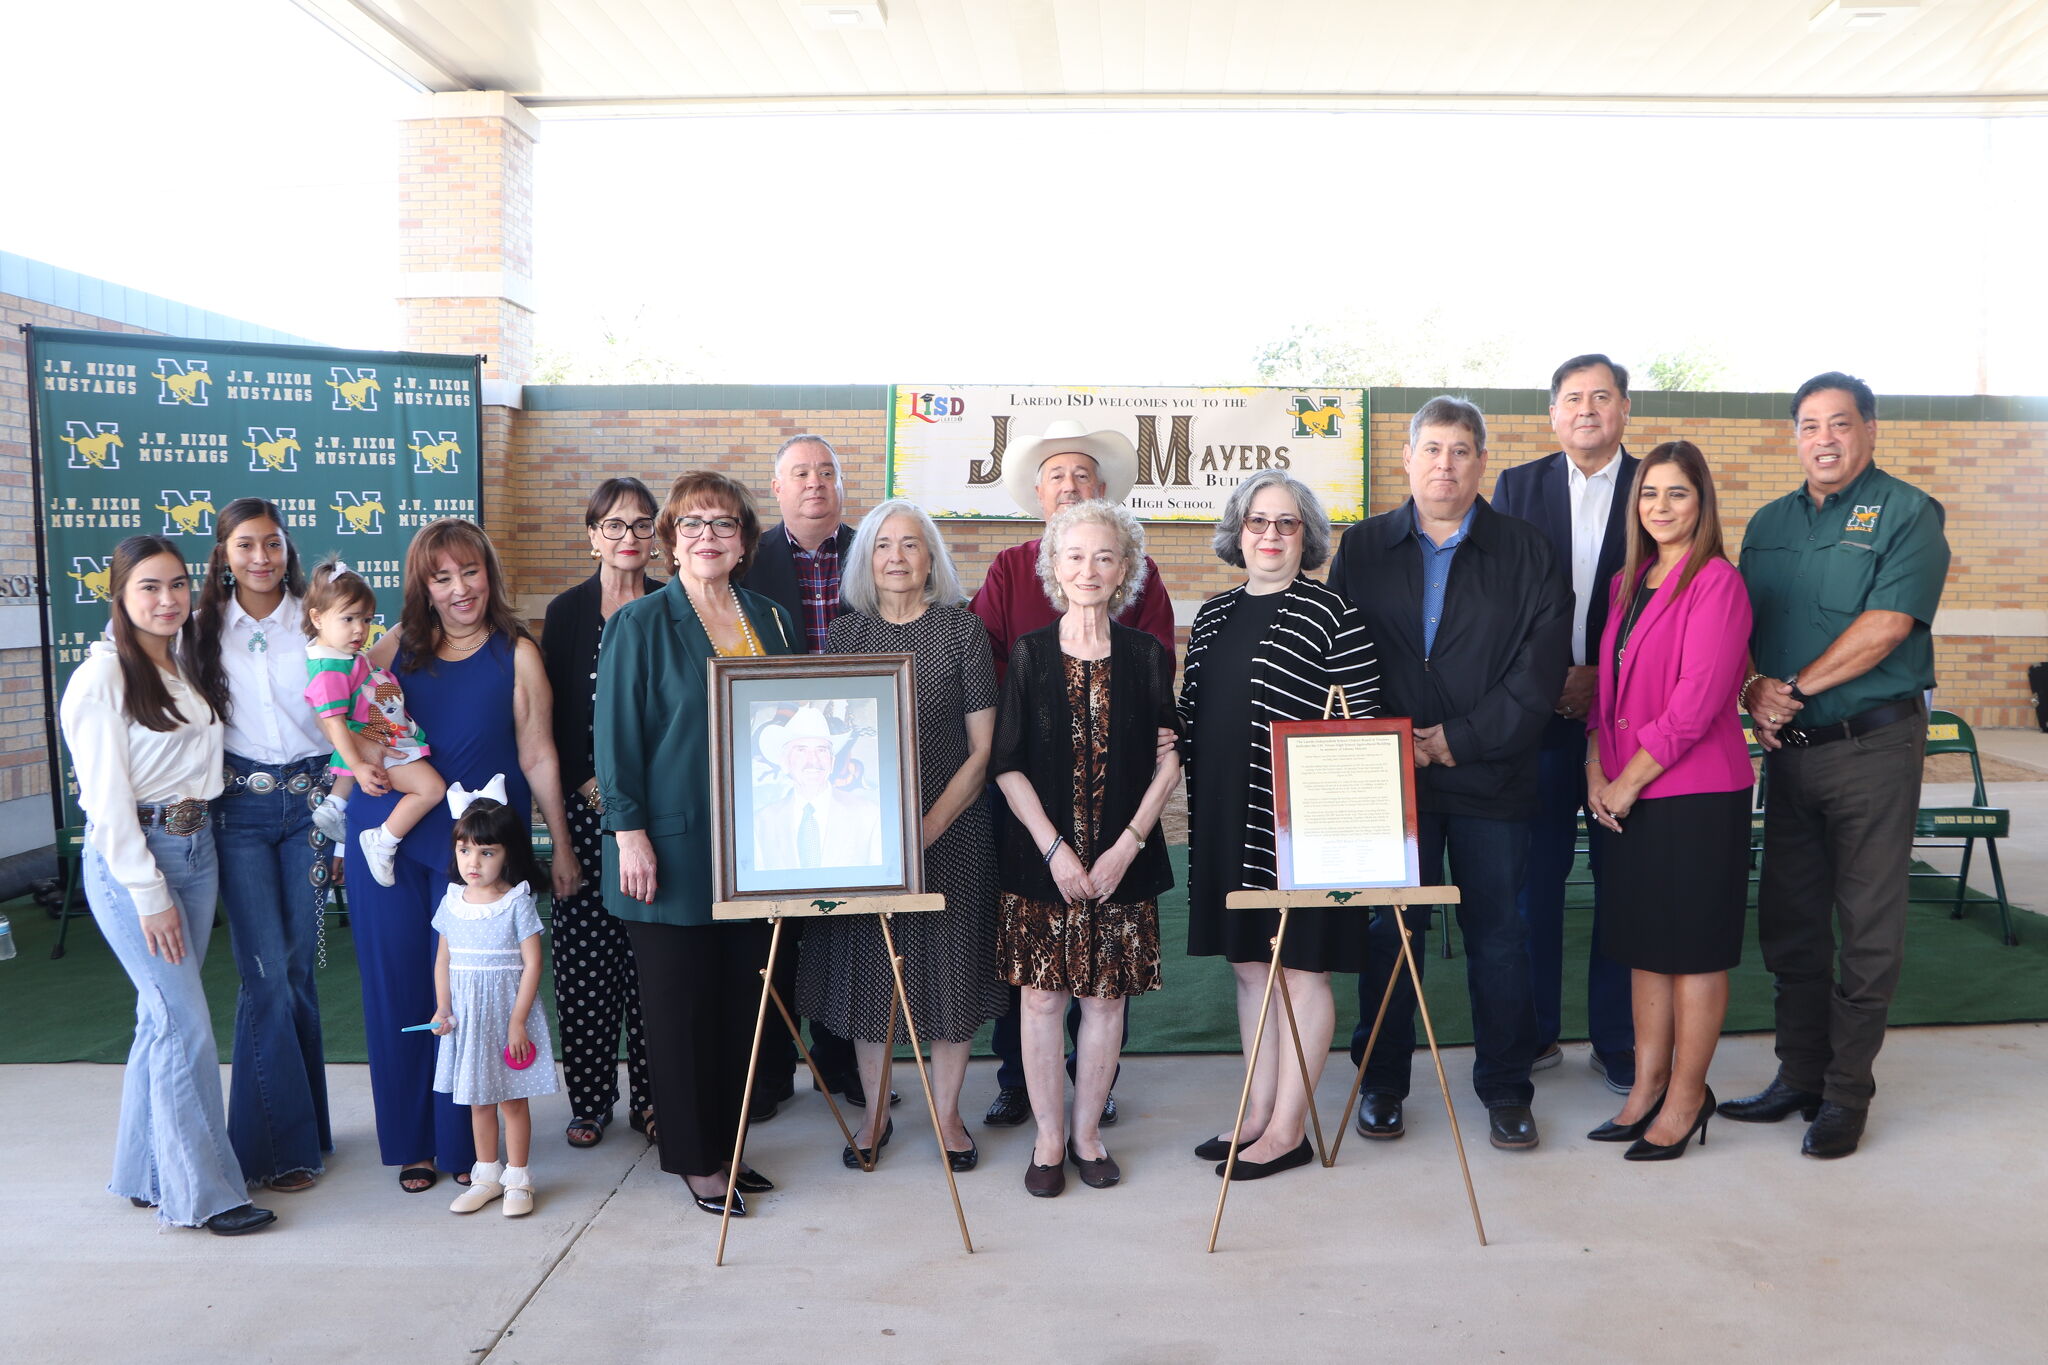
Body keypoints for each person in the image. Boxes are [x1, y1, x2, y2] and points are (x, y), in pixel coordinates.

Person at [1328, 396, 1569, 1152]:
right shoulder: (1363, 548)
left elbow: (1539, 673)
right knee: (1389, 931)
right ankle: (1383, 1081)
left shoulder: (1527, 551)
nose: (1446, 464)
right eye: (1432, 448)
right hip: (1388, 782)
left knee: (1500, 934)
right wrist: (1400, 745)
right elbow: (1341, 660)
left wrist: (1452, 741)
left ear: (1481, 461)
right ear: (1406, 457)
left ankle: (1505, 1087)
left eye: (1461, 450)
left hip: (1491, 777)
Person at [1722, 372, 1950, 1159]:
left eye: (1840, 424)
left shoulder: (1908, 513)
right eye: (1810, 425)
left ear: (1870, 429)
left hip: (1873, 748)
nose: (1825, 438)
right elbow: (1738, 619)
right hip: (1791, 755)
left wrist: (1789, 688)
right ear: (1794, 437)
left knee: (1868, 929)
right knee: (1789, 924)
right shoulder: (1769, 521)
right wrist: (1753, 684)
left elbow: (1887, 625)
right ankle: (1800, 1075)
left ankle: (1847, 1096)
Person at [345, 519, 580, 1195]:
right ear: (421, 585)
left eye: (469, 572)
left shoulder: (517, 653)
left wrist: (558, 844)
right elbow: (343, 721)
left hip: (479, 860)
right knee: (403, 991)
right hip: (392, 839)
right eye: (441, 577)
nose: (459, 589)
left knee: (476, 998)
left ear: (489, 573)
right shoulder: (393, 649)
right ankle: (413, 1141)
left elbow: (538, 753)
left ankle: (465, 1147)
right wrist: (357, 779)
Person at [596, 471, 800, 1217]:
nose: (707, 537)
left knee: (739, 1007)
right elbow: (615, 739)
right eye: (691, 524)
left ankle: (728, 1141)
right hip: (669, 850)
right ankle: (694, 1158)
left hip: (759, 850)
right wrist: (630, 832)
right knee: (678, 1011)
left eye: (722, 524)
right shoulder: (640, 623)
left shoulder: (773, 621)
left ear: (744, 540)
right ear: (670, 540)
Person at [58, 535, 274, 1235]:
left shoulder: (177, 660)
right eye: (149, 587)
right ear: (119, 594)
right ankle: (208, 1194)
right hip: (137, 863)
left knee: (160, 1020)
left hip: (196, 847)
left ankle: (144, 1172)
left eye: (178, 584)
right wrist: (149, 892)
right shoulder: (101, 679)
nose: (168, 599)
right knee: (183, 1024)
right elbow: (107, 805)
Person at [971, 418, 1176, 1129]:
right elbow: (993, 684)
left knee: (1104, 992)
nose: (1069, 485)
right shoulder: (1008, 579)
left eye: (1081, 475)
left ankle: (1090, 1112)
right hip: (1036, 805)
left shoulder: (1143, 622)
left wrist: (1128, 836)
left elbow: (1162, 727)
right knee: (1035, 988)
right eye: (1056, 475)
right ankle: (1028, 1098)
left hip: (1119, 816)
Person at [1179, 471, 1381, 1181]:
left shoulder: (1334, 615)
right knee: (1248, 967)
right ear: (1238, 531)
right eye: (1258, 521)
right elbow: (1190, 719)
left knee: (1300, 970)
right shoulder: (1212, 615)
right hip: (1225, 817)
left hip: (1303, 824)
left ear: (1307, 535)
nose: (1270, 534)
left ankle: (1290, 1128)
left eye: (1286, 523)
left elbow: (1360, 724)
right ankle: (1258, 1113)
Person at [795, 500, 1007, 1173]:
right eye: (883, 544)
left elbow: (982, 750)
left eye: (910, 544)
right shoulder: (847, 637)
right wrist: (879, 837)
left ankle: (947, 1114)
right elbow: (825, 742)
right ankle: (875, 1112)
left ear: (930, 558)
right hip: (864, 842)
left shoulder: (962, 632)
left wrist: (926, 829)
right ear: (867, 560)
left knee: (949, 976)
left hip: (955, 832)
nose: (895, 556)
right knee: (869, 977)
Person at [1581, 441, 1755, 1160]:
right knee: (1644, 950)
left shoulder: (1717, 583)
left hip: (1692, 795)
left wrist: (1626, 779)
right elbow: (1604, 692)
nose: (1661, 506)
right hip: (1624, 794)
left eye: (1677, 493)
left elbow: (1695, 703)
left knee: (1691, 953)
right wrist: (1596, 766)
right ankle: (1645, 1086)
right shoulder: (1629, 580)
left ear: (1701, 502)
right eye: (1650, 493)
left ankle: (1688, 1096)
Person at [1491, 354, 1640, 1091]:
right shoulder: (1518, 486)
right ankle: (1536, 1032)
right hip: (1540, 716)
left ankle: (1616, 1040)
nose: (1587, 409)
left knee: (1622, 877)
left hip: (1629, 719)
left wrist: (1601, 679)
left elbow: (1671, 598)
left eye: (1602, 396)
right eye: (1573, 398)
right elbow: (1499, 602)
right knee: (1534, 878)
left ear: (1624, 409)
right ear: (1552, 413)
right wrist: (1553, 681)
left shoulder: (1656, 485)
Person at [190, 498, 334, 1192]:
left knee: (301, 971)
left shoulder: (316, 616)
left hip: (309, 807)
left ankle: (309, 1130)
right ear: (224, 553)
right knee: (265, 974)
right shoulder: (198, 628)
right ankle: (274, 1147)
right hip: (239, 814)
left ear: (287, 548)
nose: (261, 557)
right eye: (245, 545)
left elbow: (356, 698)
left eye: (272, 543)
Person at [736, 433, 861, 1112]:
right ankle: (773, 1065)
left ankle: (840, 1062)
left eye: (827, 472)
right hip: (769, 765)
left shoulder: (873, 551)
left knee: (844, 918)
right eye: (800, 473)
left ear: (842, 484)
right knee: (777, 920)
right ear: (777, 488)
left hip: (855, 758)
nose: (815, 483)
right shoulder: (748, 561)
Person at [541, 477, 661, 1150]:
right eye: (614, 525)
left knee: (651, 963)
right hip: (587, 817)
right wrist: (597, 797)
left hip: (660, 814)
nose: (628, 538)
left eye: (642, 525)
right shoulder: (567, 612)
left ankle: (651, 1098)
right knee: (587, 967)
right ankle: (589, 1102)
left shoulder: (675, 607)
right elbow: (553, 723)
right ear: (591, 535)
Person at [431, 782, 559, 1217]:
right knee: (478, 1101)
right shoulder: (452, 900)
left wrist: (518, 1022)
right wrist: (442, 1009)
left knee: (512, 1100)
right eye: (465, 850)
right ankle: (487, 1174)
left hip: (507, 1016)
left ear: (508, 854)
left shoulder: (516, 902)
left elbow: (533, 965)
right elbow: (443, 961)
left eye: (487, 852)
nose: (474, 861)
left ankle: (518, 1178)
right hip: (467, 1019)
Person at [302, 560, 448, 887]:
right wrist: (358, 764)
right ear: (317, 617)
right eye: (349, 618)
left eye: (366, 619)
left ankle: (336, 806)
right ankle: (382, 841)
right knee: (432, 789)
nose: (359, 629)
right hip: (380, 744)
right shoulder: (329, 669)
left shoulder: (342, 658)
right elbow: (334, 723)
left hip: (382, 735)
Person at [750, 706, 884, 871]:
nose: (813, 760)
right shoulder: (760, 823)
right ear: (784, 763)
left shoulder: (870, 816)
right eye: (801, 750)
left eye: (821, 750)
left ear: (832, 762)